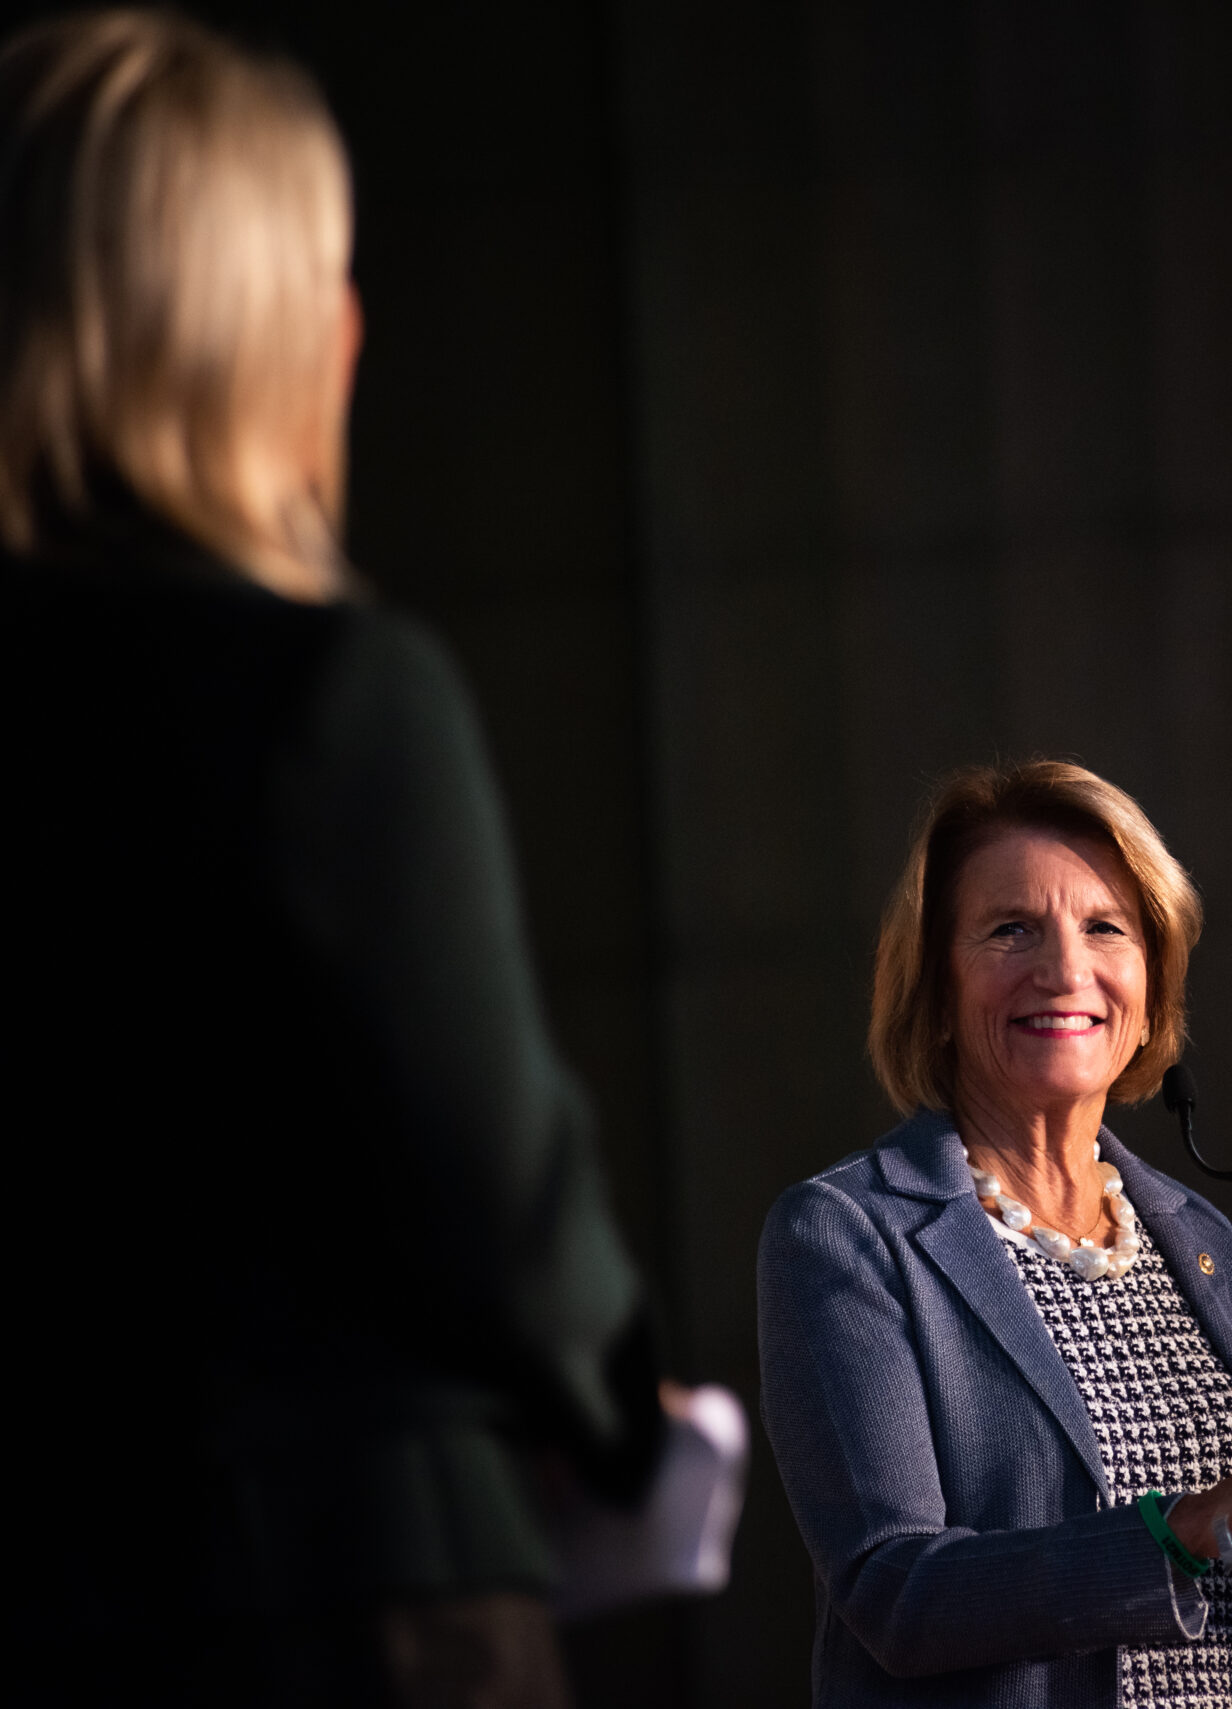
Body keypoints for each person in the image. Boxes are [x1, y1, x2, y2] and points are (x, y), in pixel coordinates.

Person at [0, 12, 666, 1705]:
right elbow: (505, 1212)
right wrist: (621, 1412)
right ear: (269, 330)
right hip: (339, 1606)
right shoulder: (326, 694)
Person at [760, 762, 1232, 1709]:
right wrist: (1182, 1528)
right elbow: (895, 1595)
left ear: (1152, 985)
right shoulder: (848, 1235)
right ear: (935, 987)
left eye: (1105, 927)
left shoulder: (1198, 1238)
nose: (1065, 970)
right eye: (1009, 931)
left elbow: (1227, 1624)